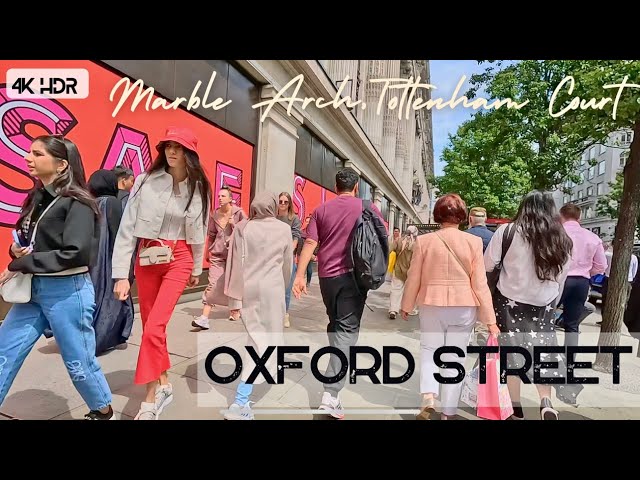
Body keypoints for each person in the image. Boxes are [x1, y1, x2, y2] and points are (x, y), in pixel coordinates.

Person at [0, 135, 115, 420]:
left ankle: (102, 410)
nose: (28, 158)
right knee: (5, 350)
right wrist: (17, 248)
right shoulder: (38, 197)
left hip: (68, 291)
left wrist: (21, 263)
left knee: (79, 362)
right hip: (33, 291)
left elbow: (75, 253)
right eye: (29, 152)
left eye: (37, 154)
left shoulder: (78, 203)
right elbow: (30, 238)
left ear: (62, 164)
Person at [112, 126, 211, 420]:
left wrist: (195, 267)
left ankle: (150, 399)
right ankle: (165, 381)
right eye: (167, 146)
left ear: (189, 153)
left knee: (154, 326)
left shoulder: (199, 187)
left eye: (178, 147)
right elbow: (127, 228)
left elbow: (199, 232)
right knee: (152, 327)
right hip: (147, 256)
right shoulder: (145, 181)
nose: (171, 151)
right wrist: (120, 274)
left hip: (179, 257)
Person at [293, 168, 386, 419]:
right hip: (354, 277)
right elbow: (382, 236)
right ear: (356, 187)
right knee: (346, 331)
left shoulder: (321, 210)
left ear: (336, 187)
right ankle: (331, 394)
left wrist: (299, 275)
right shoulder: (367, 207)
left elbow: (310, 243)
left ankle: (335, 365)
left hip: (327, 278)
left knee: (336, 324)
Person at [400, 193, 498, 420]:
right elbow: (480, 284)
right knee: (455, 356)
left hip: (431, 302)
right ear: (463, 216)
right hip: (463, 305)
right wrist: (490, 321)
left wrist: (406, 304)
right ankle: (449, 412)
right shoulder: (473, 242)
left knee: (429, 350)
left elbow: (414, 277)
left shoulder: (424, 241)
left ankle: (428, 396)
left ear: (438, 215)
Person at [485, 191, 582, 419]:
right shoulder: (562, 239)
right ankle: (546, 402)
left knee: (511, 355)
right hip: (544, 305)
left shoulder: (507, 231)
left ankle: (515, 406)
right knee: (544, 352)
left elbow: (488, 264)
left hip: (509, 302)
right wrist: (552, 304)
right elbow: (561, 279)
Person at [222, 192, 293, 420]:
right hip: (273, 290)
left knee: (255, 339)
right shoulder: (283, 229)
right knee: (266, 341)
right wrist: (283, 289)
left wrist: (234, 300)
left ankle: (243, 397)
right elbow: (287, 265)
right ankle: (241, 401)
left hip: (248, 289)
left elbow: (234, 264)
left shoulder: (244, 227)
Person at [87, 169, 134, 355]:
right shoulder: (111, 202)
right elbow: (118, 235)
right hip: (108, 258)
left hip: (92, 258)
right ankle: (105, 337)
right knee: (111, 299)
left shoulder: (91, 203)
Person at [193, 186, 247, 329]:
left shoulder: (239, 213)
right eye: (219, 196)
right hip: (217, 254)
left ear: (230, 198)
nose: (220, 198)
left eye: (223, 196)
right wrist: (207, 252)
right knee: (213, 283)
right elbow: (211, 235)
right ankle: (204, 317)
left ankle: (234, 309)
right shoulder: (214, 215)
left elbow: (247, 231)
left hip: (233, 255)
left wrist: (234, 225)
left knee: (232, 284)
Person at [558, 204, 607, 348]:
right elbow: (601, 266)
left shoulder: (555, 233)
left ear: (560, 216)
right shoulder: (593, 237)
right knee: (572, 325)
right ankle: (569, 362)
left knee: (546, 319)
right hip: (581, 281)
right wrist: (587, 272)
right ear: (580, 217)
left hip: (559, 279)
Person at [277, 192, 302, 328]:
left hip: (287, 258)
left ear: (289, 204)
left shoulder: (293, 219)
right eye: (280, 201)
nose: (282, 204)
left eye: (285, 202)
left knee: (286, 289)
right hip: (273, 258)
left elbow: (296, 238)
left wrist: (288, 253)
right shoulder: (273, 217)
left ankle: (285, 314)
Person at [388, 226, 419, 320]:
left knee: (395, 290)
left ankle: (393, 310)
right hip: (411, 272)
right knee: (411, 291)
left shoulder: (399, 241)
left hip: (398, 269)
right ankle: (410, 309)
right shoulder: (417, 244)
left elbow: (389, 249)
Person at [297, 215, 318, 288]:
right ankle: (299, 280)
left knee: (309, 268)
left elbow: (316, 244)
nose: (308, 223)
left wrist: (314, 254)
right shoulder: (301, 232)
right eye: (307, 221)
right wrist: (298, 253)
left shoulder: (314, 233)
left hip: (310, 253)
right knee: (299, 268)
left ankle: (308, 282)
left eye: (310, 222)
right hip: (301, 252)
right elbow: (299, 243)